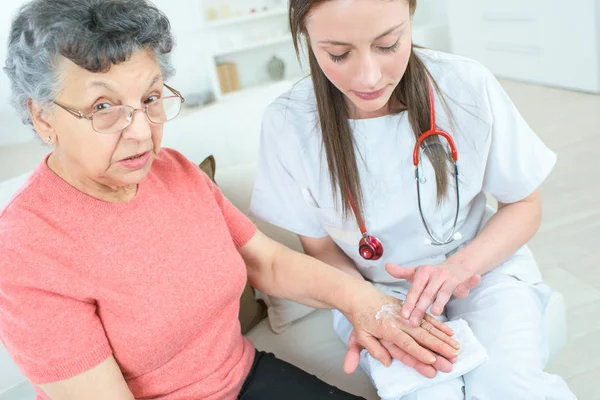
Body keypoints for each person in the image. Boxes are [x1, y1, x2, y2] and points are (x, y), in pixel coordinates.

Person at [0, 1, 462, 400]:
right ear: (42, 118)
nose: (141, 131)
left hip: (247, 378)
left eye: (151, 98)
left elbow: (269, 263)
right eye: (104, 107)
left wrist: (365, 303)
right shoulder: (27, 248)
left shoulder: (176, 173)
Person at [248, 0, 577, 399]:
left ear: (410, 16)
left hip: (482, 271)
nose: (368, 77)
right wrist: (370, 308)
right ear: (305, 37)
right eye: (337, 54)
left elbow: (523, 205)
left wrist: (458, 268)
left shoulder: (464, 85)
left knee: (508, 386)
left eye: (388, 44)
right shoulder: (288, 123)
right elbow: (319, 247)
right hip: (376, 294)